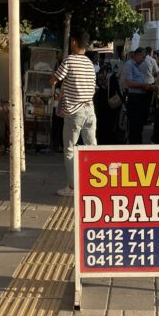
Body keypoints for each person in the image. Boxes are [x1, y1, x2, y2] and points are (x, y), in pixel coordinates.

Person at [49, 30, 97, 196]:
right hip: (90, 110)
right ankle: (95, 184)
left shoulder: (69, 60)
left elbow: (54, 79)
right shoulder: (90, 64)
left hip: (75, 111)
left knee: (70, 149)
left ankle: (72, 187)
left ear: (75, 42)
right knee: (92, 147)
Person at [121, 48, 155, 143]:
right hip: (134, 98)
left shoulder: (136, 65)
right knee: (135, 126)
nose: (144, 60)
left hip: (139, 97)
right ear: (137, 54)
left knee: (138, 126)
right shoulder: (129, 65)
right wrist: (143, 86)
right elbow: (128, 83)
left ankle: (137, 144)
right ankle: (134, 146)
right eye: (143, 57)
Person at [94, 62, 123, 144]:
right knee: (110, 122)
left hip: (100, 102)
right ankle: (109, 140)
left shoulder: (97, 75)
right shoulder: (112, 76)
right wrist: (122, 99)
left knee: (100, 122)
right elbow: (117, 89)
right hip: (111, 103)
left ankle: (100, 139)